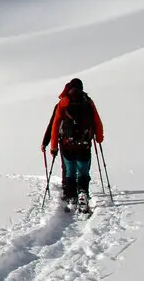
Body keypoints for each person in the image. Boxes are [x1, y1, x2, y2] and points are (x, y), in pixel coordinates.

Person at [42, 78, 104, 213]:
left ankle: (71, 198)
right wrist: (99, 138)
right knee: (83, 170)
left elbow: (55, 126)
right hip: (85, 144)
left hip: (67, 145)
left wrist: (53, 147)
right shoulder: (88, 101)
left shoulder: (63, 103)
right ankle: (83, 194)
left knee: (70, 171)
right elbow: (97, 121)